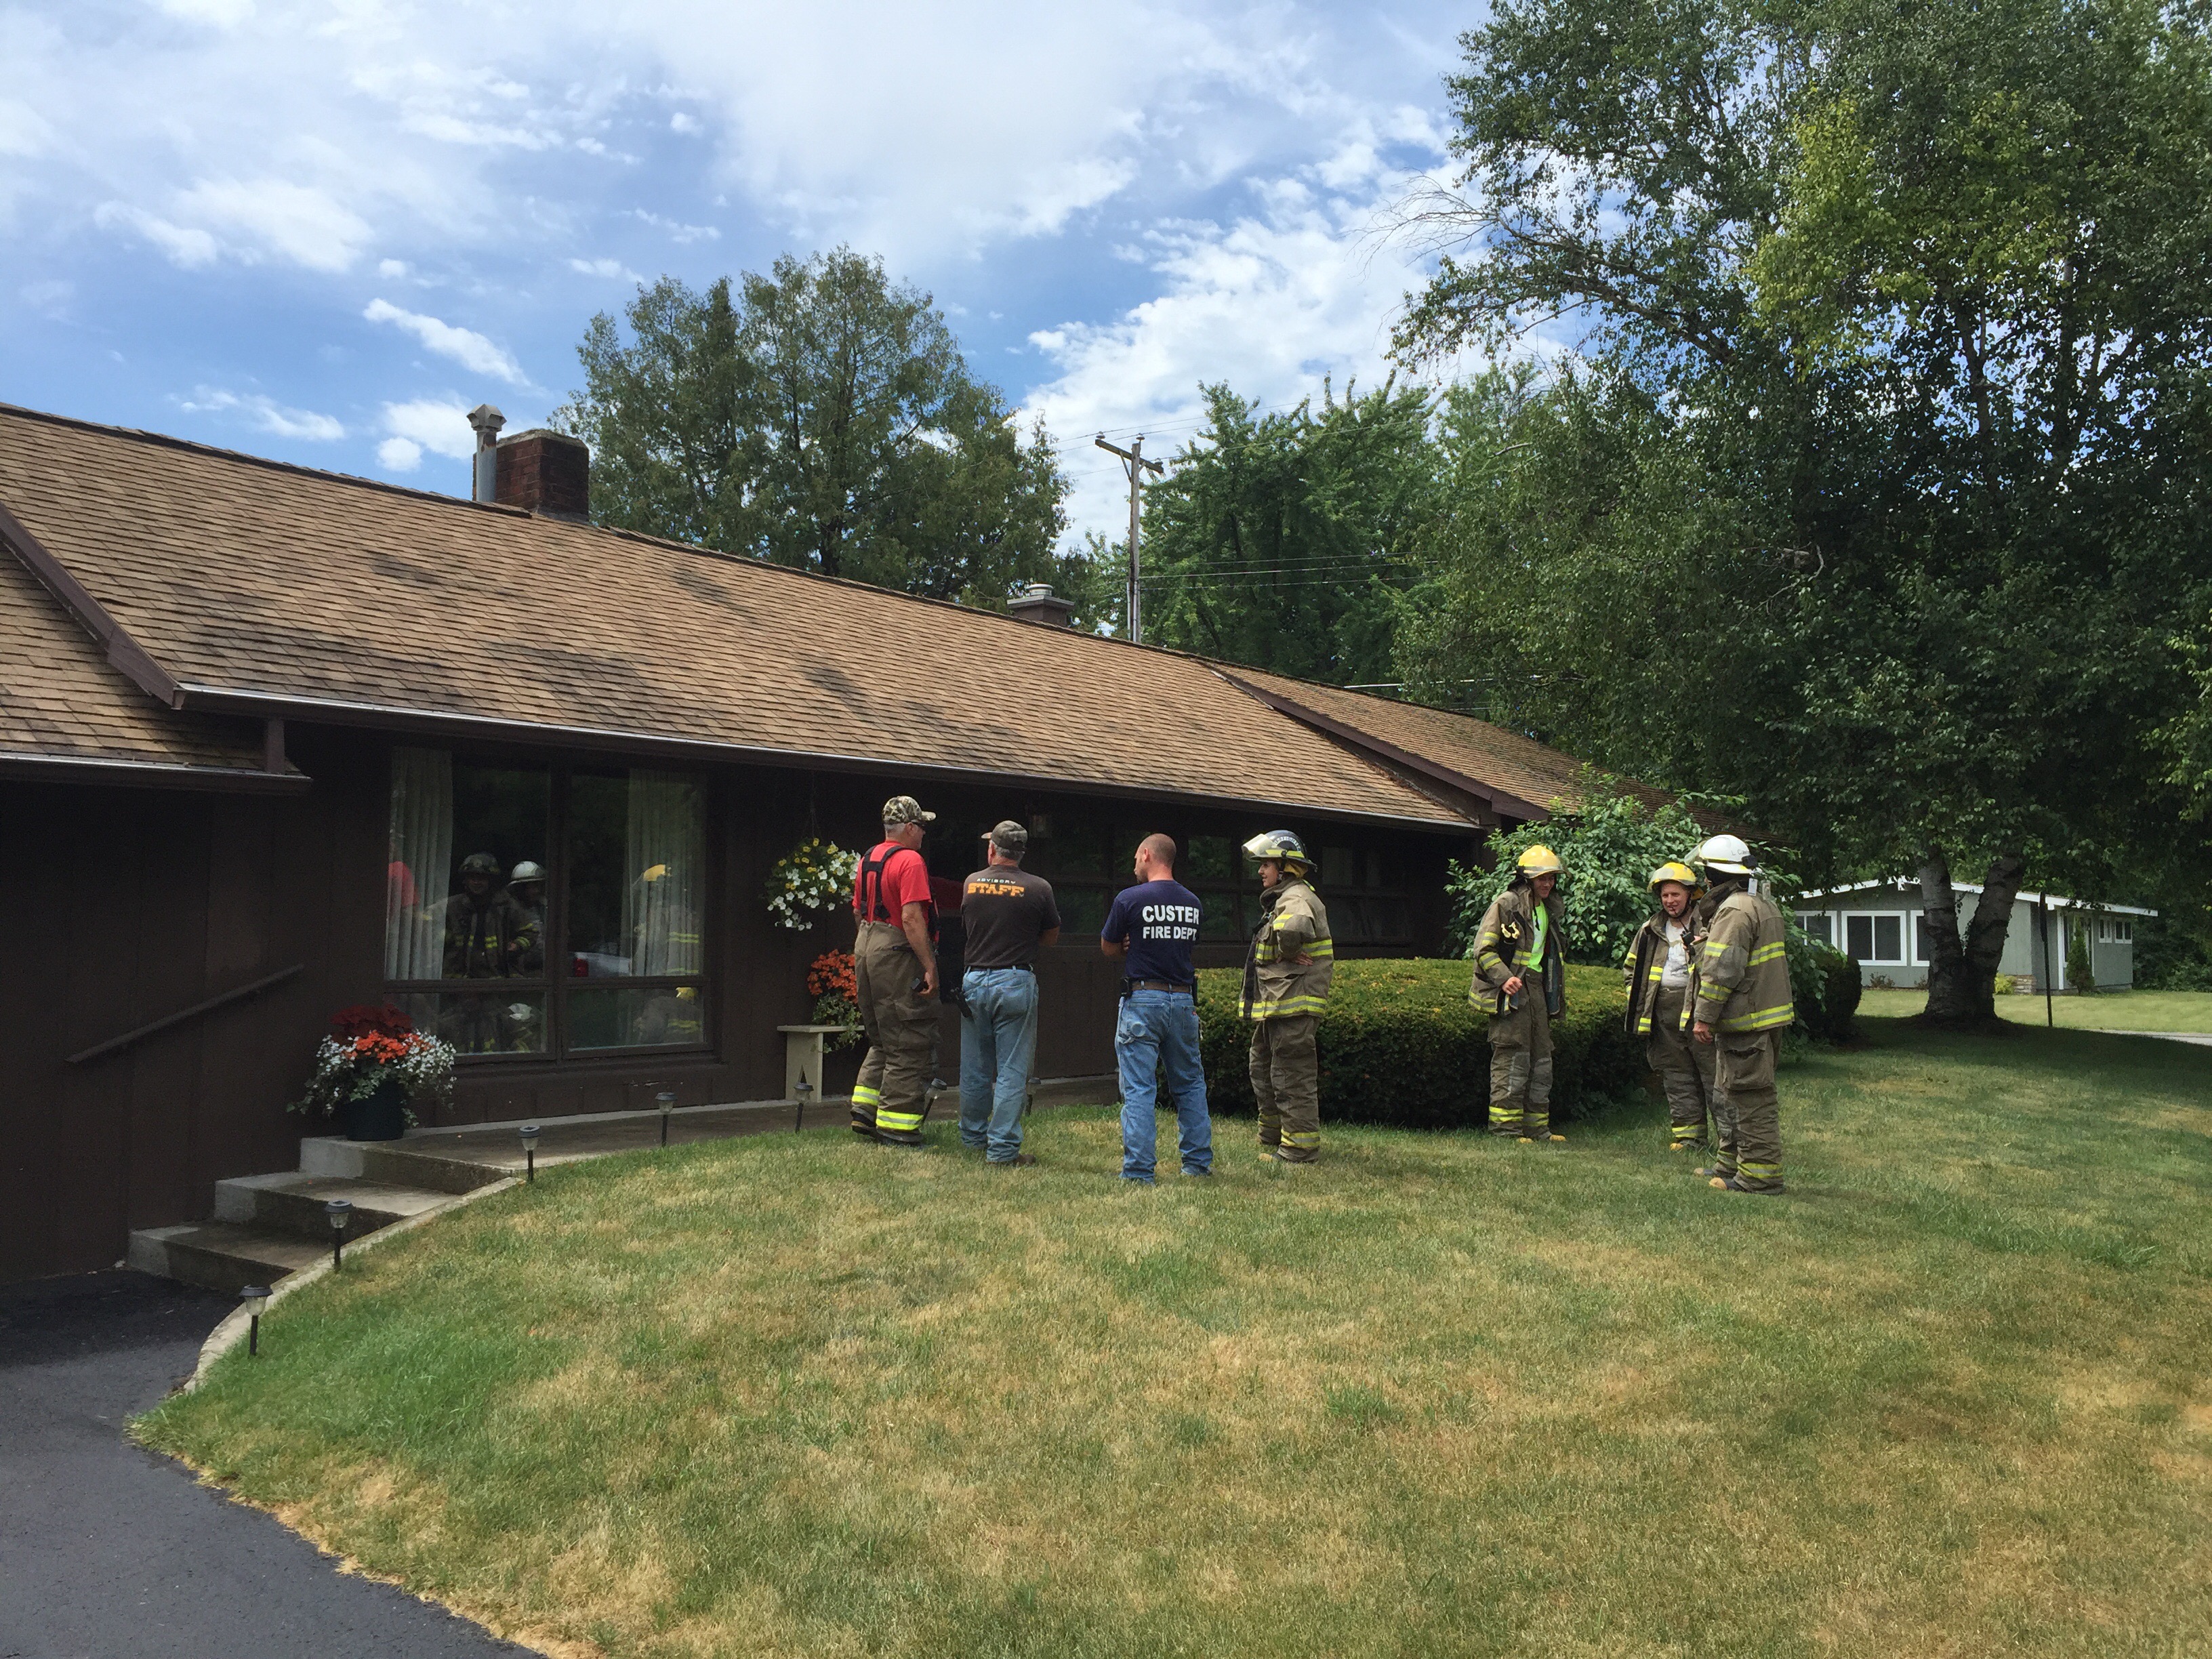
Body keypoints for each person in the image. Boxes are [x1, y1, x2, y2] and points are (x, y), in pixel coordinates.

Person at [1101, 833, 1212, 1183]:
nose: (1134, 865)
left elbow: (1107, 947)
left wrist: (1126, 946)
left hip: (1143, 999)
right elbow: (1185, 944)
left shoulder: (1129, 900)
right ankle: (1196, 1165)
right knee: (1191, 1084)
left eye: (1136, 858)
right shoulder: (1193, 902)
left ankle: (1138, 1171)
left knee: (1138, 1088)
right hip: (1182, 1001)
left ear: (1147, 855)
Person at [1689, 834, 1795, 1193]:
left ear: (1716, 875)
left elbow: (1722, 971)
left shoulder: (1734, 910)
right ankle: (1730, 1165)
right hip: (1756, 1018)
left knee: (1751, 1098)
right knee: (1729, 1091)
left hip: (1746, 1020)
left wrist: (1703, 1016)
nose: (1703, 879)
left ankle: (1759, 1178)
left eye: (1706, 871)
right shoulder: (1759, 904)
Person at [958, 821, 1060, 1166]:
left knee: (974, 1066)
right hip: (1015, 980)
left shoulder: (972, 883)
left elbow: (967, 926)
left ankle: (972, 1139)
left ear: (992, 850)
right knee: (1012, 1069)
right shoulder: (1039, 888)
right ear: (1021, 853)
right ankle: (1001, 1149)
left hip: (974, 979)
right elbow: (1049, 937)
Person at [849, 796, 941, 1147]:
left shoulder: (868, 858)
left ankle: (865, 1112)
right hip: (896, 949)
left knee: (882, 1036)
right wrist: (929, 965)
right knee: (909, 1039)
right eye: (921, 828)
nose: (922, 835)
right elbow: (911, 917)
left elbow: (858, 912)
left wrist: (867, 947)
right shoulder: (910, 860)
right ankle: (898, 1129)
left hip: (866, 945)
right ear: (910, 828)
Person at [1240, 830, 1333, 1166]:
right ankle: (1273, 1137)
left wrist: (1287, 951)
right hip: (1279, 1006)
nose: (1260, 871)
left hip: (1293, 1005)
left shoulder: (1295, 896)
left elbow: (1293, 929)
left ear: (1286, 868)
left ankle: (1299, 1150)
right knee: (1262, 1067)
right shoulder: (1284, 897)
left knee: (1291, 1077)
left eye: (1266, 864)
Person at [1471, 845, 1569, 1142]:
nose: (1547, 884)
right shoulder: (1506, 904)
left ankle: (1537, 1129)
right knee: (1512, 1058)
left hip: (1537, 989)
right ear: (1526, 878)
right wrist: (1505, 979)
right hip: (1510, 992)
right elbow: (1483, 950)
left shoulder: (1547, 908)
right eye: (1542, 878)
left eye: (1551, 879)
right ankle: (1506, 1130)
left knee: (1541, 1059)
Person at [1622, 861, 1718, 1151]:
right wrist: (1637, 997)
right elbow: (1631, 968)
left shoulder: (1709, 924)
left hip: (1700, 1012)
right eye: (1665, 896)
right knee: (1677, 1077)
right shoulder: (1650, 929)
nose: (1670, 901)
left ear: (1691, 894)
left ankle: (1732, 1140)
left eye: (1675, 895)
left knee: (1714, 1077)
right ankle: (1690, 1139)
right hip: (1662, 1013)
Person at [441, 852, 537, 1053]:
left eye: (482, 877)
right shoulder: (451, 906)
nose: (477, 882)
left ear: (491, 880)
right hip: (459, 983)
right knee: (455, 1028)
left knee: (496, 1027)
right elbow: (427, 929)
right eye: (472, 877)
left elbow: (529, 931)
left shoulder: (507, 906)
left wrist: (516, 946)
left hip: (496, 982)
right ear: (465, 880)